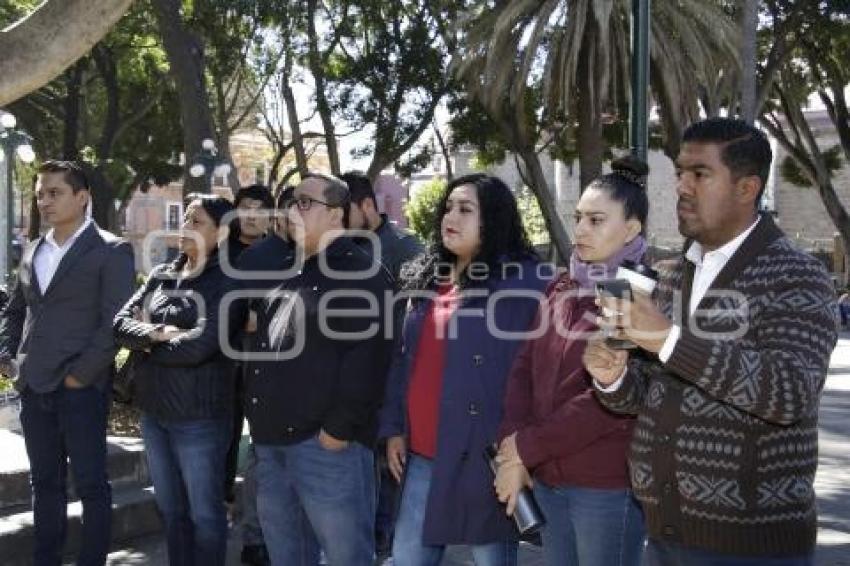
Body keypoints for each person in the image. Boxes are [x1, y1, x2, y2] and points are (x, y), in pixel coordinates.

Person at [584, 118, 838, 565]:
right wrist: (613, 379)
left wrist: (666, 338)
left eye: (699, 174)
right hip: (662, 535)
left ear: (747, 188)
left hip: (751, 549)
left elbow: (789, 392)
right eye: (680, 171)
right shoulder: (667, 274)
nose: (681, 186)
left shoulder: (798, 275)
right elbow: (649, 393)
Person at [379, 174, 551, 566]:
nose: (449, 217)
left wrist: (525, 449)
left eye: (465, 209)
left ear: (493, 220)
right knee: (407, 558)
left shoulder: (527, 282)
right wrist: (392, 428)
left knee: (492, 558)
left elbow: (541, 374)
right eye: (448, 208)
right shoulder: (427, 277)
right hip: (421, 454)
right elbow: (404, 361)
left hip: (485, 458)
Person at [494, 157, 648, 566]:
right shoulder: (561, 284)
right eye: (578, 217)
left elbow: (607, 403)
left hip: (604, 486)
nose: (580, 229)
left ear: (631, 229)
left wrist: (526, 447)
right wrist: (513, 448)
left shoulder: (632, 291)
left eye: (596, 220)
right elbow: (523, 368)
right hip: (547, 477)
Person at [245, 173, 395, 566]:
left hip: (326, 450)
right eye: (291, 203)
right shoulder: (289, 270)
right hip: (272, 446)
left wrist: (336, 432)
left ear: (336, 215)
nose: (293, 211)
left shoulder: (362, 273)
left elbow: (369, 361)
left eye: (305, 203)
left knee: (348, 558)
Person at [0, 160, 136, 566]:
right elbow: (15, 309)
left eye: (54, 192)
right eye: (40, 193)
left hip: (80, 389)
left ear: (82, 197)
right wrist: (8, 357)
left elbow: (116, 320)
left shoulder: (112, 250)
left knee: (92, 485)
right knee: (45, 485)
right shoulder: (34, 249)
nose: (44, 200)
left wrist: (80, 376)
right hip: (33, 384)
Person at [113, 194, 238, 566]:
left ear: (222, 232)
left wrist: (150, 338)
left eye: (196, 221)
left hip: (200, 418)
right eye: (184, 218)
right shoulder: (162, 273)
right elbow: (119, 324)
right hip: (154, 413)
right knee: (171, 511)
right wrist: (154, 334)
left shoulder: (230, 280)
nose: (185, 226)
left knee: (205, 515)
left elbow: (201, 346)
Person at [340, 171, 423, 556]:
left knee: (390, 479)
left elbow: (420, 322)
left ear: (368, 207)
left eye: (346, 211)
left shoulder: (406, 249)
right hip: (351, 383)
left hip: (391, 382)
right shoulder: (340, 250)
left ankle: (387, 548)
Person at [230, 185, 295, 566]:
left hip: (305, 378)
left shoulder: (314, 255)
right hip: (261, 370)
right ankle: (256, 538)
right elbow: (233, 313)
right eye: (290, 209)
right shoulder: (256, 257)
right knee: (262, 457)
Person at [342, 171, 423, 279]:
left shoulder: (405, 247)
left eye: (345, 211)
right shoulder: (340, 246)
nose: (339, 218)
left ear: (367, 205)